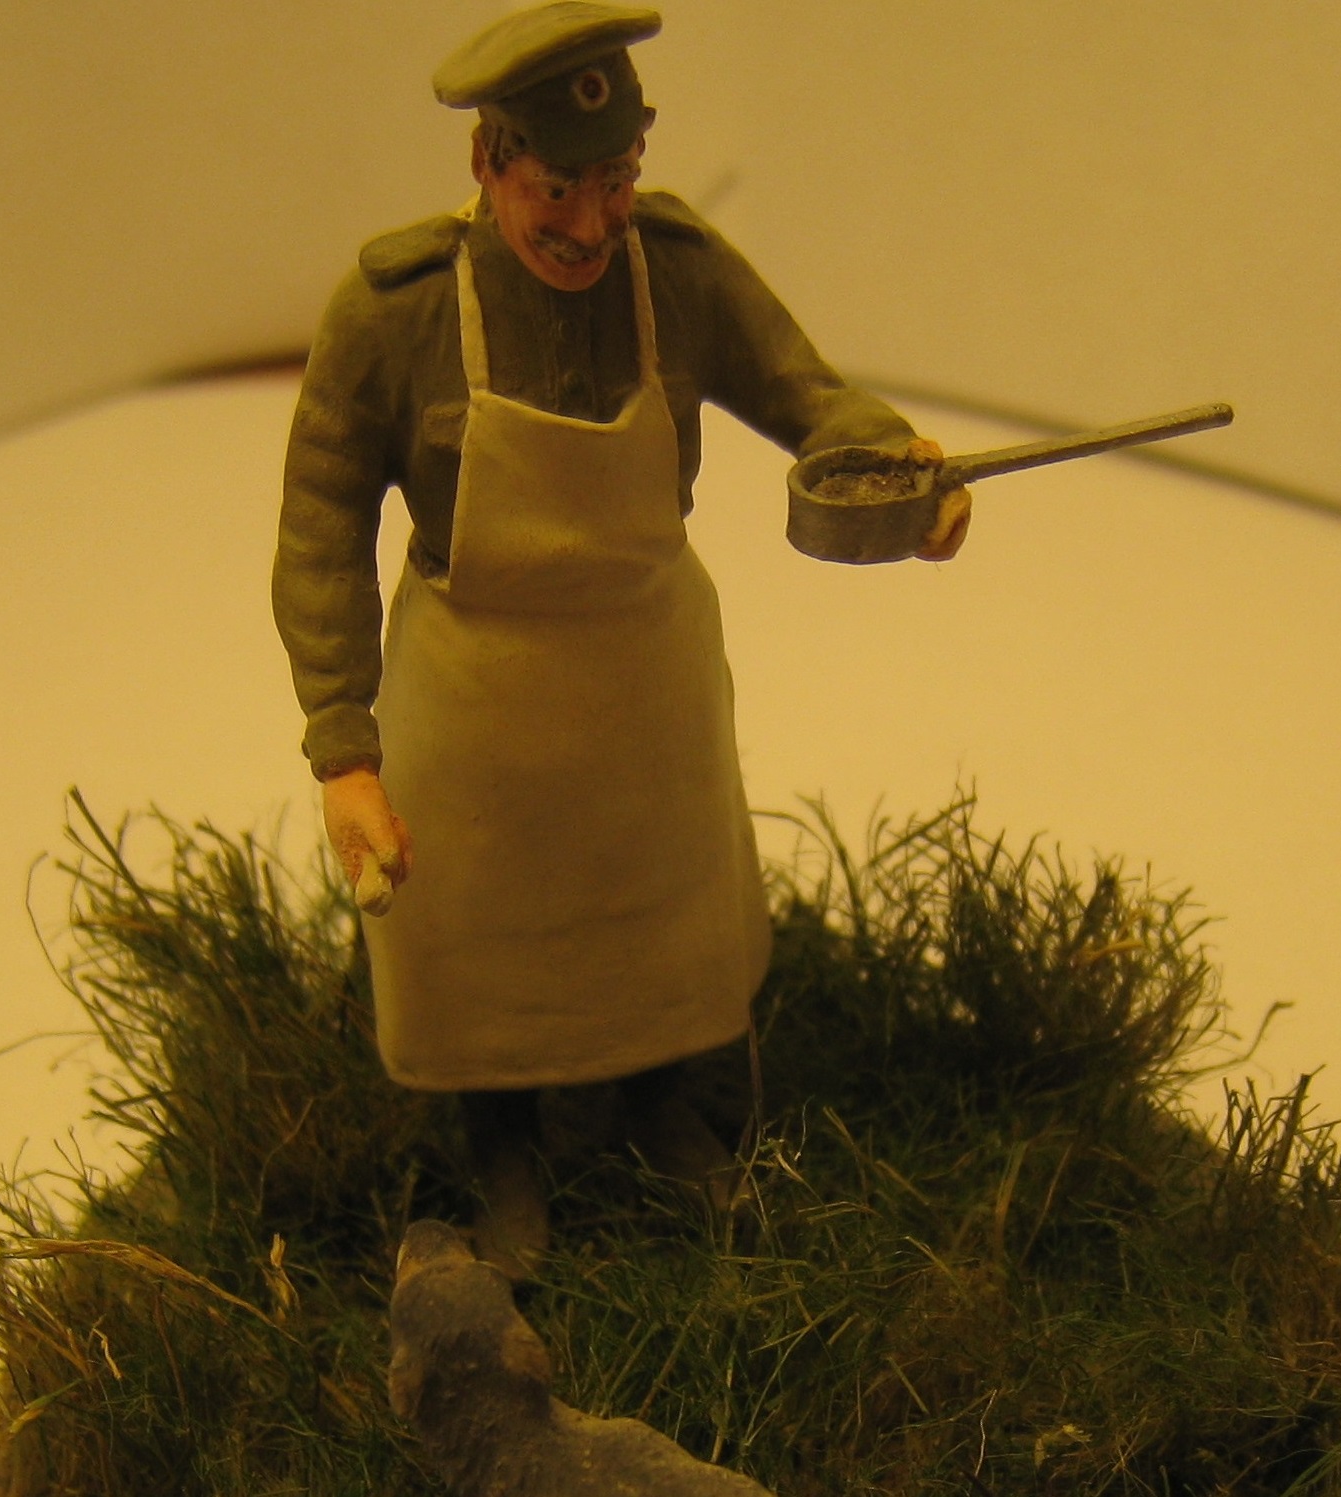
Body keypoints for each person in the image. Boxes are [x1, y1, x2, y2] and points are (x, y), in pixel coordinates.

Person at [273, 1, 969, 1279]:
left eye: (615, 183)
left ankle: (658, 1102)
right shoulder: (394, 312)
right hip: (470, 691)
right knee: (477, 936)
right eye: (556, 190)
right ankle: (503, 1147)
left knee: (654, 911)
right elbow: (321, 524)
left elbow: (808, 394)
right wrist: (344, 747)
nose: (590, 226)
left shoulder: (679, 269)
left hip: (645, 675)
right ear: (488, 163)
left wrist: (900, 476)